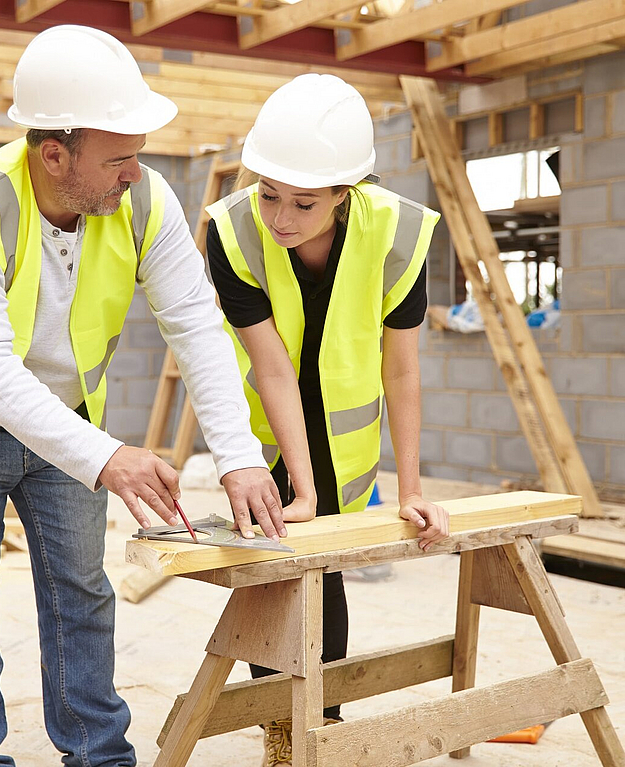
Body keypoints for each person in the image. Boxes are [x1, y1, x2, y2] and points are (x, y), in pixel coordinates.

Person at [0, 25, 285, 767]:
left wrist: (238, 456)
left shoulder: (143, 199)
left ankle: (99, 753)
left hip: (63, 426)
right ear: (53, 153)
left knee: (82, 596)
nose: (135, 172)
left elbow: (194, 323)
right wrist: (109, 459)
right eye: (119, 156)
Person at [206, 74, 450, 767]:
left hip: (346, 441)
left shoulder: (399, 232)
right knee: (272, 571)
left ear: (348, 192)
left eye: (303, 202)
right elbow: (272, 365)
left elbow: (400, 367)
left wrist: (410, 488)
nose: (279, 216)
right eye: (268, 193)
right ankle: (281, 733)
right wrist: (299, 489)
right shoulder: (231, 232)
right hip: (262, 431)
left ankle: (324, 720)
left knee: (326, 570)